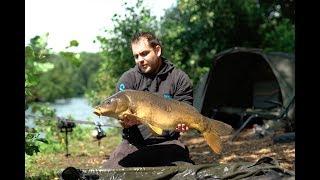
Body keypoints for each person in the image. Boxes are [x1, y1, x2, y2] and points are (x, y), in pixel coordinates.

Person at [103, 32, 194, 168]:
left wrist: (185, 123)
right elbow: (121, 118)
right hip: (133, 144)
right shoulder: (128, 79)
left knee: (186, 173)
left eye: (144, 53)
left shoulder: (179, 78)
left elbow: (187, 108)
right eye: (136, 56)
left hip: (169, 143)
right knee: (110, 173)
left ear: (157, 50)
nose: (140, 59)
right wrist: (126, 123)